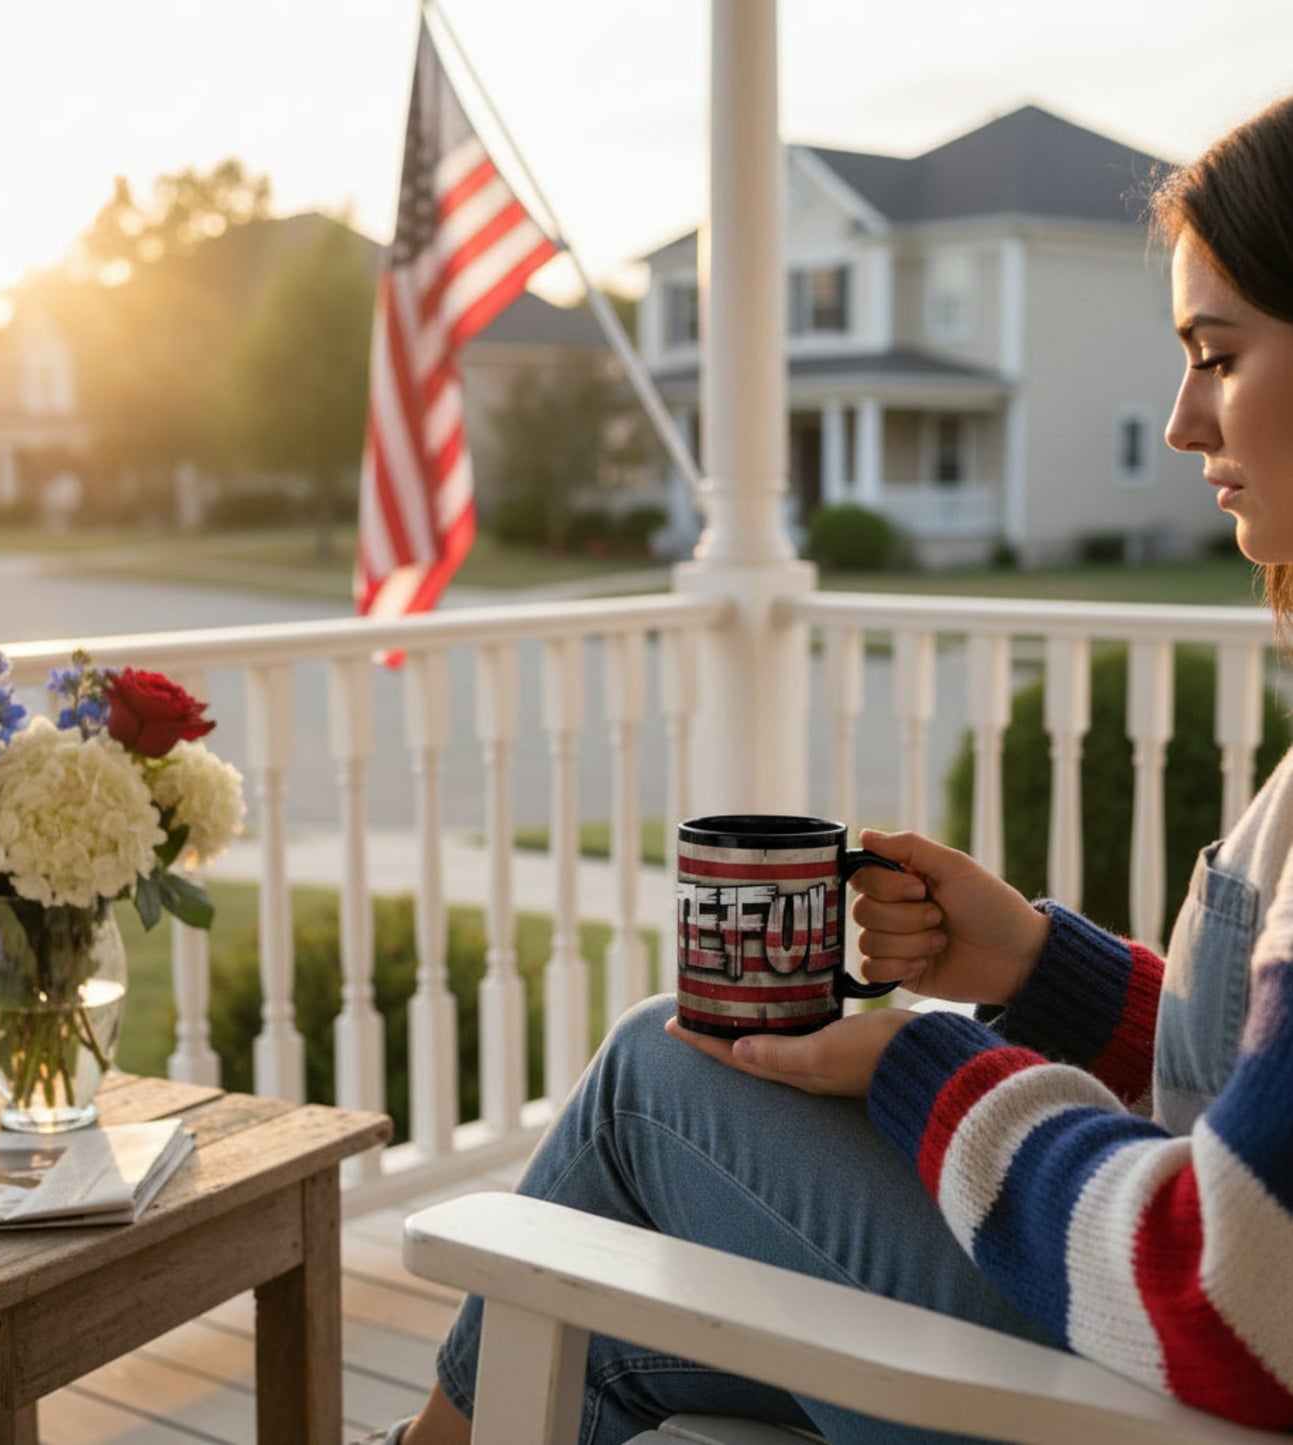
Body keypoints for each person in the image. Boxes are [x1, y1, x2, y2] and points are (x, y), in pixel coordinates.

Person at [357, 94, 1293, 1444]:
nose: (1177, 425)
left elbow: (1231, 1293)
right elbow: (1257, 1116)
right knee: (611, 1322)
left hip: (1147, 1396)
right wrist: (1042, 968)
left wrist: (917, 1064)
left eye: (1216, 355)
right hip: (1145, 1365)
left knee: (648, 1076)